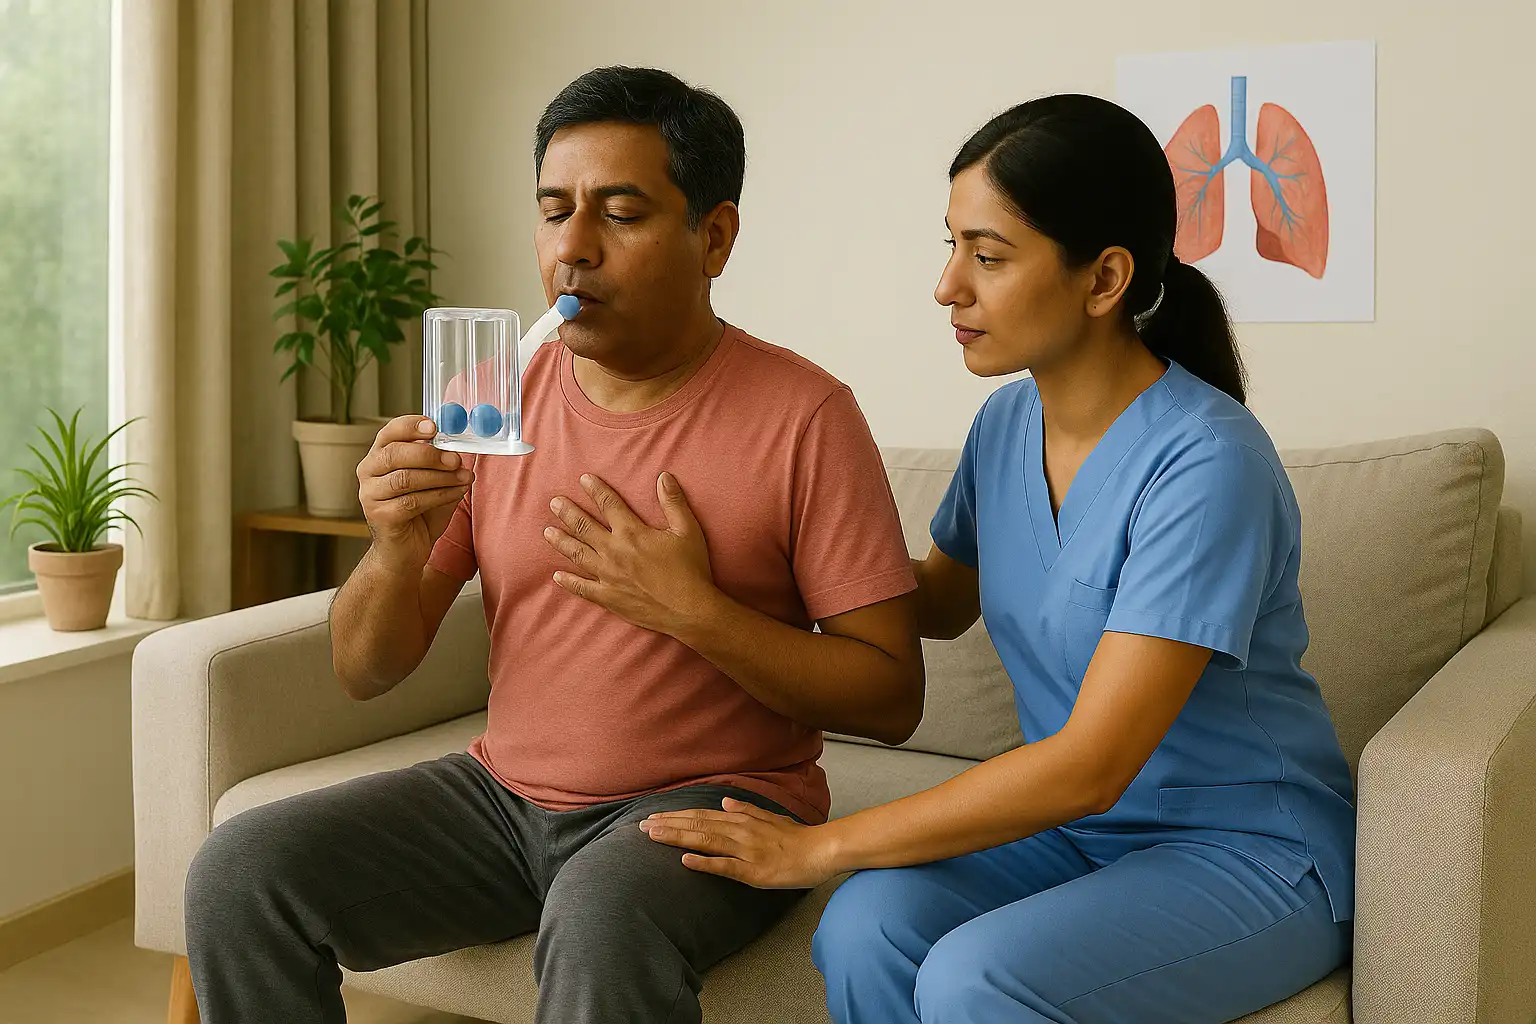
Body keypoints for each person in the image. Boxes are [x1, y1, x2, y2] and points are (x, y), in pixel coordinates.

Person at [181, 66, 924, 1024]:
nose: (573, 247)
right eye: (553, 210)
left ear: (714, 237)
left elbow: (892, 696)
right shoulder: (493, 398)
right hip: (501, 799)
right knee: (241, 872)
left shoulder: (805, 417)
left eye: (621, 213)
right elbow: (364, 670)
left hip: (713, 803)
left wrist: (695, 613)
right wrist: (395, 548)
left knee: (603, 914)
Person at [641, 94, 1356, 1024]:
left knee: (975, 977)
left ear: (1104, 280)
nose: (948, 286)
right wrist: (726, 576)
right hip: (1078, 834)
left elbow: (1091, 765)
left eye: (987, 256)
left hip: (1248, 853)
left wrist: (820, 847)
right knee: (864, 928)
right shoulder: (1007, 423)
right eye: (951, 246)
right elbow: (934, 603)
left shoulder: (1208, 466)